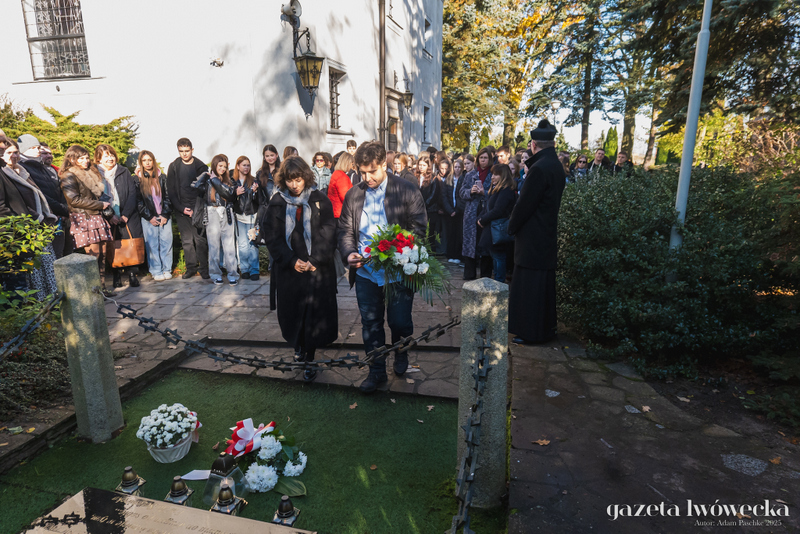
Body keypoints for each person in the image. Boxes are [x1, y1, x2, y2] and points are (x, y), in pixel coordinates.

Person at [337, 141, 427, 393]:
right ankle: (376, 371)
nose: (367, 178)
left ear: (384, 165)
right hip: (365, 273)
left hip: (397, 272)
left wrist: (396, 251)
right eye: (362, 172)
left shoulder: (407, 190)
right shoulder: (354, 195)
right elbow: (345, 230)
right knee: (370, 323)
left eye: (372, 172)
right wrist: (349, 252)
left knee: (399, 322)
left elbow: (419, 229)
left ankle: (401, 351)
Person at [261, 156, 338, 383]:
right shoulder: (277, 202)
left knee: (313, 314)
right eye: (290, 180)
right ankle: (298, 346)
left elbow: (329, 232)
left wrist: (315, 259)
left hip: (315, 270)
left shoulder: (319, 199)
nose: (295, 185)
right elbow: (272, 236)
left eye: (298, 179)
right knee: (293, 313)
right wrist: (291, 260)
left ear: (306, 177)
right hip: (289, 271)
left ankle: (310, 358)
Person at [508, 119, 565, 345]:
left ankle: (531, 332)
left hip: (532, 238)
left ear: (533, 144)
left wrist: (511, 226)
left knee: (530, 287)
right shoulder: (555, 165)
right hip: (546, 234)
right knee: (543, 286)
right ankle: (545, 329)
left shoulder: (539, 168)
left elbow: (524, 205)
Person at [1, 137, 58, 299]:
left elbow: (38, 196)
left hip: (39, 227)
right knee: (34, 275)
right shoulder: (5, 173)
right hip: (24, 231)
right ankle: (39, 304)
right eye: (9, 152)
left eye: (16, 152)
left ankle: (51, 303)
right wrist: (30, 224)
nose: (14, 156)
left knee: (48, 269)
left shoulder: (22, 171)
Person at [59, 144, 115, 295]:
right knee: (93, 257)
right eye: (81, 158)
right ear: (72, 159)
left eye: (87, 157)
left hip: (96, 215)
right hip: (84, 218)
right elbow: (73, 200)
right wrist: (100, 205)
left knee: (102, 254)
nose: (86, 161)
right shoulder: (68, 175)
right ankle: (94, 291)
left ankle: (102, 288)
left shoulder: (90, 172)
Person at [96, 144, 143, 288]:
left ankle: (132, 274)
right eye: (106, 156)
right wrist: (110, 216)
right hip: (107, 216)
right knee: (113, 245)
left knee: (130, 243)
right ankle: (116, 275)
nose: (110, 158)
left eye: (112, 155)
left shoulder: (123, 171)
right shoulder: (95, 174)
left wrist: (126, 214)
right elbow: (96, 197)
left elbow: (132, 193)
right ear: (99, 159)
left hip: (128, 215)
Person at [17, 134, 72, 258]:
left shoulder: (44, 168)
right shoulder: (23, 168)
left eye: (38, 147)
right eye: (34, 148)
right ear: (24, 149)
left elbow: (58, 190)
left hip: (58, 218)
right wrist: (61, 209)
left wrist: (64, 209)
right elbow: (39, 195)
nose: (38, 150)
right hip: (44, 219)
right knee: (51, 257)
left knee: (63, 255)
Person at [166, 138, 209, 280]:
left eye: (187, 151)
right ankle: (191, 268)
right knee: (187, 241)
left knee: (200, 240)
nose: (184, 154)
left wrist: (197, 209)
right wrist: (181, 208)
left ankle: (204, 269)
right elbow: (171, 191)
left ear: (192, 150)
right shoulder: (174, 167)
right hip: (181, 209)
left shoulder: (201, 167)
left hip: (198, 209)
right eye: (181, 151)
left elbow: (205, 190)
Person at [194, 154, 239, 285]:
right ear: (214, 165)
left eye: (224, 166)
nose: (222, 169)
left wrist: (215, 180)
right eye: (220, 166)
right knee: (213, 245)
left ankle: (232, 273)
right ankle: (215, 274)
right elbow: (195, 186)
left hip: (227, 211)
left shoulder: (229, 180)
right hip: (212, 211)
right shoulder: (207, 180)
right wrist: (206, 176)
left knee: (229, 245)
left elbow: (230, 194)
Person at [136, 150, 173, 281]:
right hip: (149, 218)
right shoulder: (137, 179)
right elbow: (138, 201)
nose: (147, 163)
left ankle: (167, 269)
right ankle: (156, 270)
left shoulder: (162, 177)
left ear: (153, 161)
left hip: (164, 216)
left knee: (166, 243)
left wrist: (165, 214)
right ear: (141, 163)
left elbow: (168, 197)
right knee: (152, 245)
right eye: (144, 160)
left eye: (149, 160)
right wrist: (149, 217)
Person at [477, 164, 516, 282]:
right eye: (492, 174)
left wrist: (483, 219)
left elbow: (498, 210)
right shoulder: (495, 190)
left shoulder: (506, 191)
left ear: (503, 176)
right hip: (491, 228)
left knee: (499, 258)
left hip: (498, 230)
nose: (492, 177)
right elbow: (487, 207)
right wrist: (480, 218)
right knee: (495, 257)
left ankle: (499, 284)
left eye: (496, 175)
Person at [459, 154, 491, 280]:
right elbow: (461, 192)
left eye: (485, 158)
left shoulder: (493, 174)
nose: (483, 160)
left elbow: (497, 193)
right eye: (481, 157)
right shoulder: (470, 175)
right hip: (471, 212)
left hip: (486, 211)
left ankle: (485, 275)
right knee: (469, 243)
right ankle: (469, 274)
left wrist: (484, 193)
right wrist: (470, 191)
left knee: (485, 243)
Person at [233, 156, 263, 280]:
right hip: (239, 216)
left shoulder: (253, 180)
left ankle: (254, 270)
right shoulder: (233, 181)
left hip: (251, 216)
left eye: (248, 165)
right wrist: (235, 194)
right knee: (242, 244)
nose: (246, 167)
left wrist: (255, 192)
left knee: (252, 243)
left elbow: (259, 200)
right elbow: (229, 198)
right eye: (244, 165)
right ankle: (244, 269)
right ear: (238, 166)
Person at [443, 157, 466, 263]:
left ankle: (457, 255)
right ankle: (450, 254)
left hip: (459, 211)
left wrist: (457, 210)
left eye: (459, 167)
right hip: (450, 211)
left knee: (458, 234)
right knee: (450, 233)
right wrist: (450, 210)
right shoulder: (449, 179)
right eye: (455, 167)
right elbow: (444, 196)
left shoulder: (463, 179)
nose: (457, 169)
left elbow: (461, 197)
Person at [327, 151, 354, 219]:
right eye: (352, 164)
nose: (351, 167)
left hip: (334, 210)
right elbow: (345, 197)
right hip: (340, 213)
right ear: (347, 163)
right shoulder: (342, 177)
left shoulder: (336, 173)